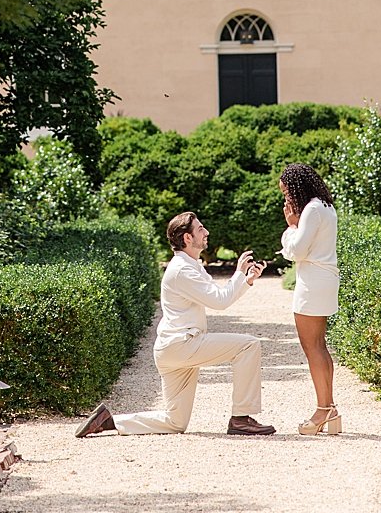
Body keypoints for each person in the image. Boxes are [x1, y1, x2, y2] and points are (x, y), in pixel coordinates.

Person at [76, 210, 275, 437]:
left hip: (173, 349)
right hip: (182, 346)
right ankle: (241, 419)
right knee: (248, 345)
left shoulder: (187, 265)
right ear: (187, 238)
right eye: (200, 229)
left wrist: (246, 281)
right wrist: (239, 273)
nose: (206, 232)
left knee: (175, 422)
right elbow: (220, 301)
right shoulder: (183, 270)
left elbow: (220, 296)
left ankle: (110, 422)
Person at [279, 162, 341, 435]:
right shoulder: (325, 207)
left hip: (313, 282)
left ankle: (322, 410)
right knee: (320, 346)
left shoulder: (312, 210)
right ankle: (330, 410)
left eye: (286, 193)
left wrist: (291, 227)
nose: (286, 199)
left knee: (312, 347)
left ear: (296, 188)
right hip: (324, 280)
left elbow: (298, 251)